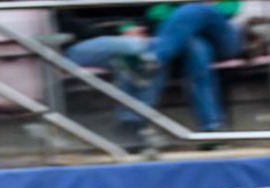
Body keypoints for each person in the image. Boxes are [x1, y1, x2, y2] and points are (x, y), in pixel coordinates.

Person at [146, 2, 241, 134]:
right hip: (181, 39)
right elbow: (156, 13)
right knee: (197, 49)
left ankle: (153, 60)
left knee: (194, 10)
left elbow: (230, 7)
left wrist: (182, 12)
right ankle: (212, 127)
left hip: (222, 36)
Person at [64, 18, 158, 147]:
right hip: (76, 45)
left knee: (137, 60)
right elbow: (73, 23)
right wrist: (124, 29)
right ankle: (132, 124)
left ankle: (131, 125)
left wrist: (131, 28)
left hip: (121, 41)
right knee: (140, 49)